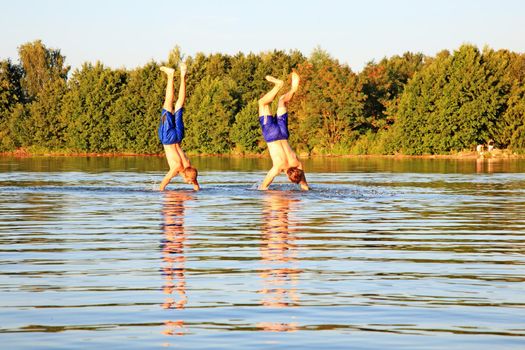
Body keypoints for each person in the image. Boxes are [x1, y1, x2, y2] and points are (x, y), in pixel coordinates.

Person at [258, 71, 309, 191]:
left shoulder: (298, 164)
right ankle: (278, 86)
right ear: (288, 176)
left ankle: (293, 89)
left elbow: (304, 185)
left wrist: (303, 185)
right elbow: (263, 187)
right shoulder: (278, 168)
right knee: (262, 103)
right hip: (271, 135)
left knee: (282, 101)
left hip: (283, 133)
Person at [158, 63, 200, 191]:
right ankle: (170, 76)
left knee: (179, 105)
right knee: (168, 104)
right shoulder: (177, 168)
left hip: (178, 136)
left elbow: (195, 182)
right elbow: (163, 183)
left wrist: (195, 186)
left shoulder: (188, 165)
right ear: (188, 177)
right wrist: (159, 192)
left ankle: (183, 75)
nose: (188, 183)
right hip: (168, 138)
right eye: (188, 182)